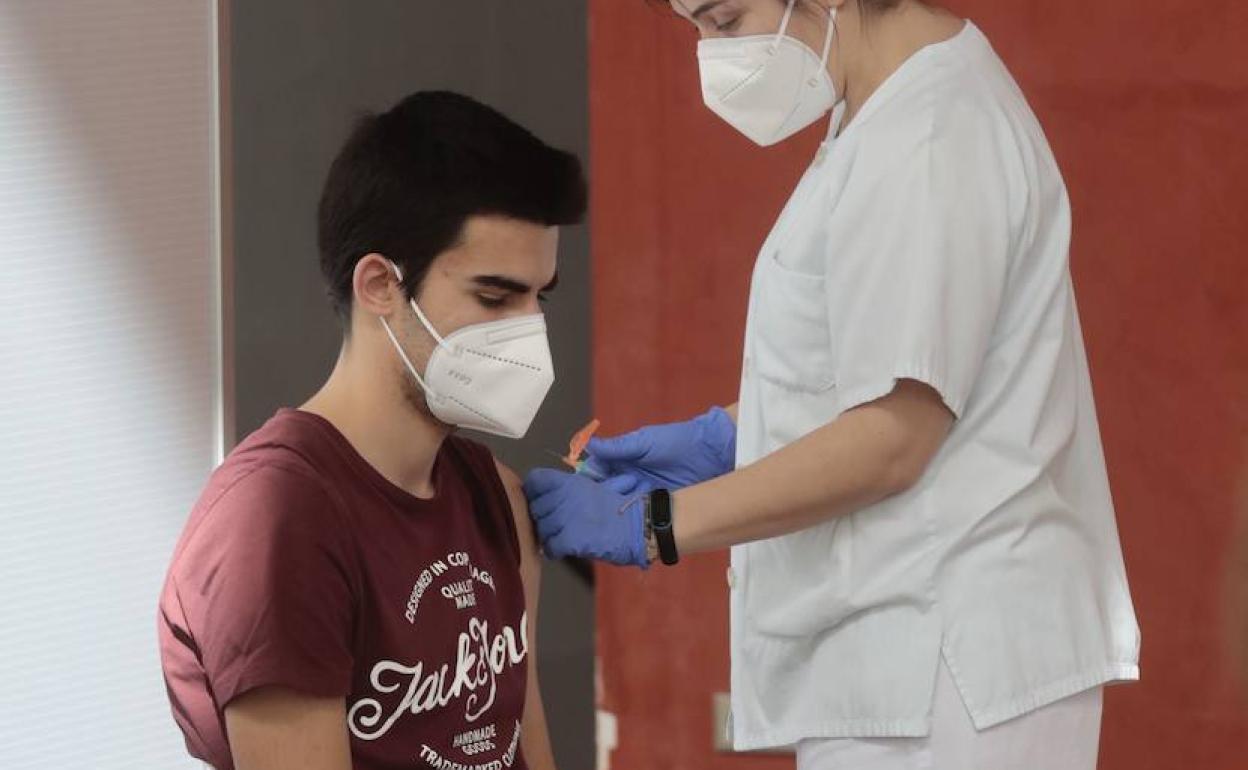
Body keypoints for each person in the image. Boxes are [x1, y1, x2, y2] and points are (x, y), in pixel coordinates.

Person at [523, 1, 1140, 768]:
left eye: (724, 20)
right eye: (694, 28)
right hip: (910, 658)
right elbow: (878, 368)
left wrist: (655, 524)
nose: (711, 56)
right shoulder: (882, 112)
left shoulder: (929, 137)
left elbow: (893, 437)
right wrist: (730, 437)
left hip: (946, 664)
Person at [158, 91, 585, 770]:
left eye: (541, 297)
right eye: (495, 297)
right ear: (381, 285)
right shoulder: (278, 520)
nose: (529, 331)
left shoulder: (496, 495)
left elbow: (524, 744)